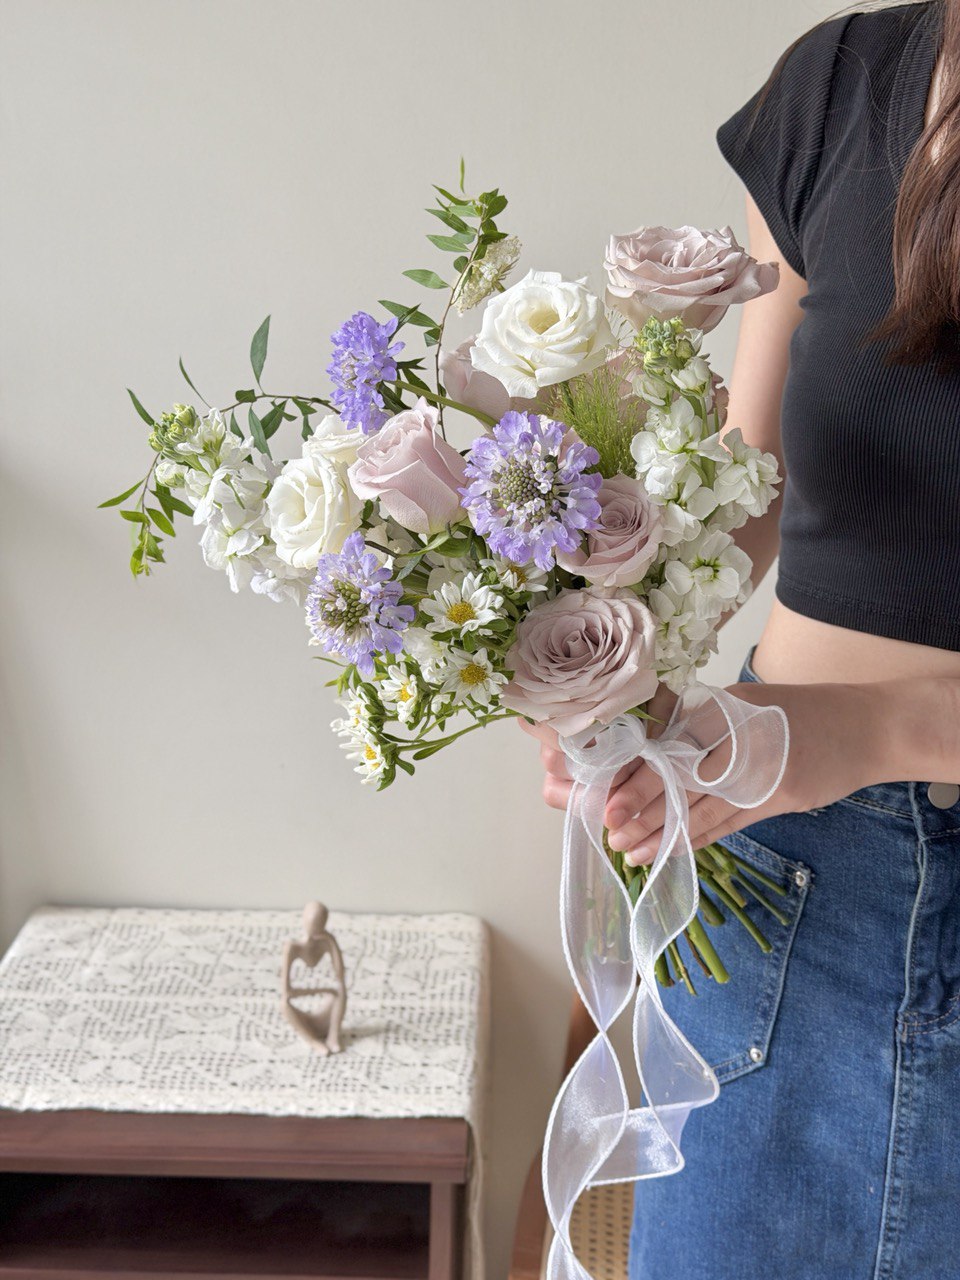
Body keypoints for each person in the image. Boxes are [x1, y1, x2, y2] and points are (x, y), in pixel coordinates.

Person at [520, 3, 960, 1276]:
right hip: (786, 885)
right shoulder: (842, 85)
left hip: (795, 766)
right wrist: (606, 663)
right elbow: (746, 481)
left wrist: (867, 728)